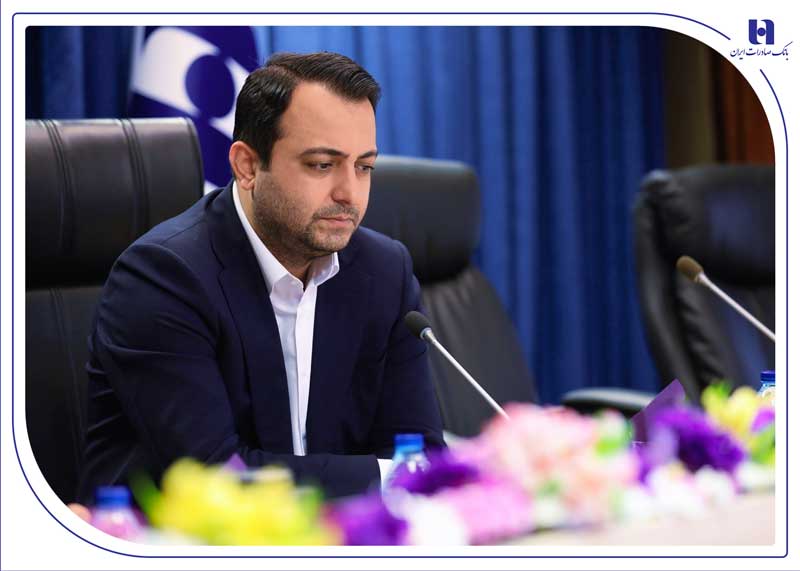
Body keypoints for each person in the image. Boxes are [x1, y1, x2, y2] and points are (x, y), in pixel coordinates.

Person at [78, 52, 444, 503]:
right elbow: (216, 478)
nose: (350, 193)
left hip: (340, 532)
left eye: (364, 166)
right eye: (321, 164)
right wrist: (391, 478)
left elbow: (418, 450)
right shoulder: (162, 278)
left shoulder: (384, 270)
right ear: (248, 166)